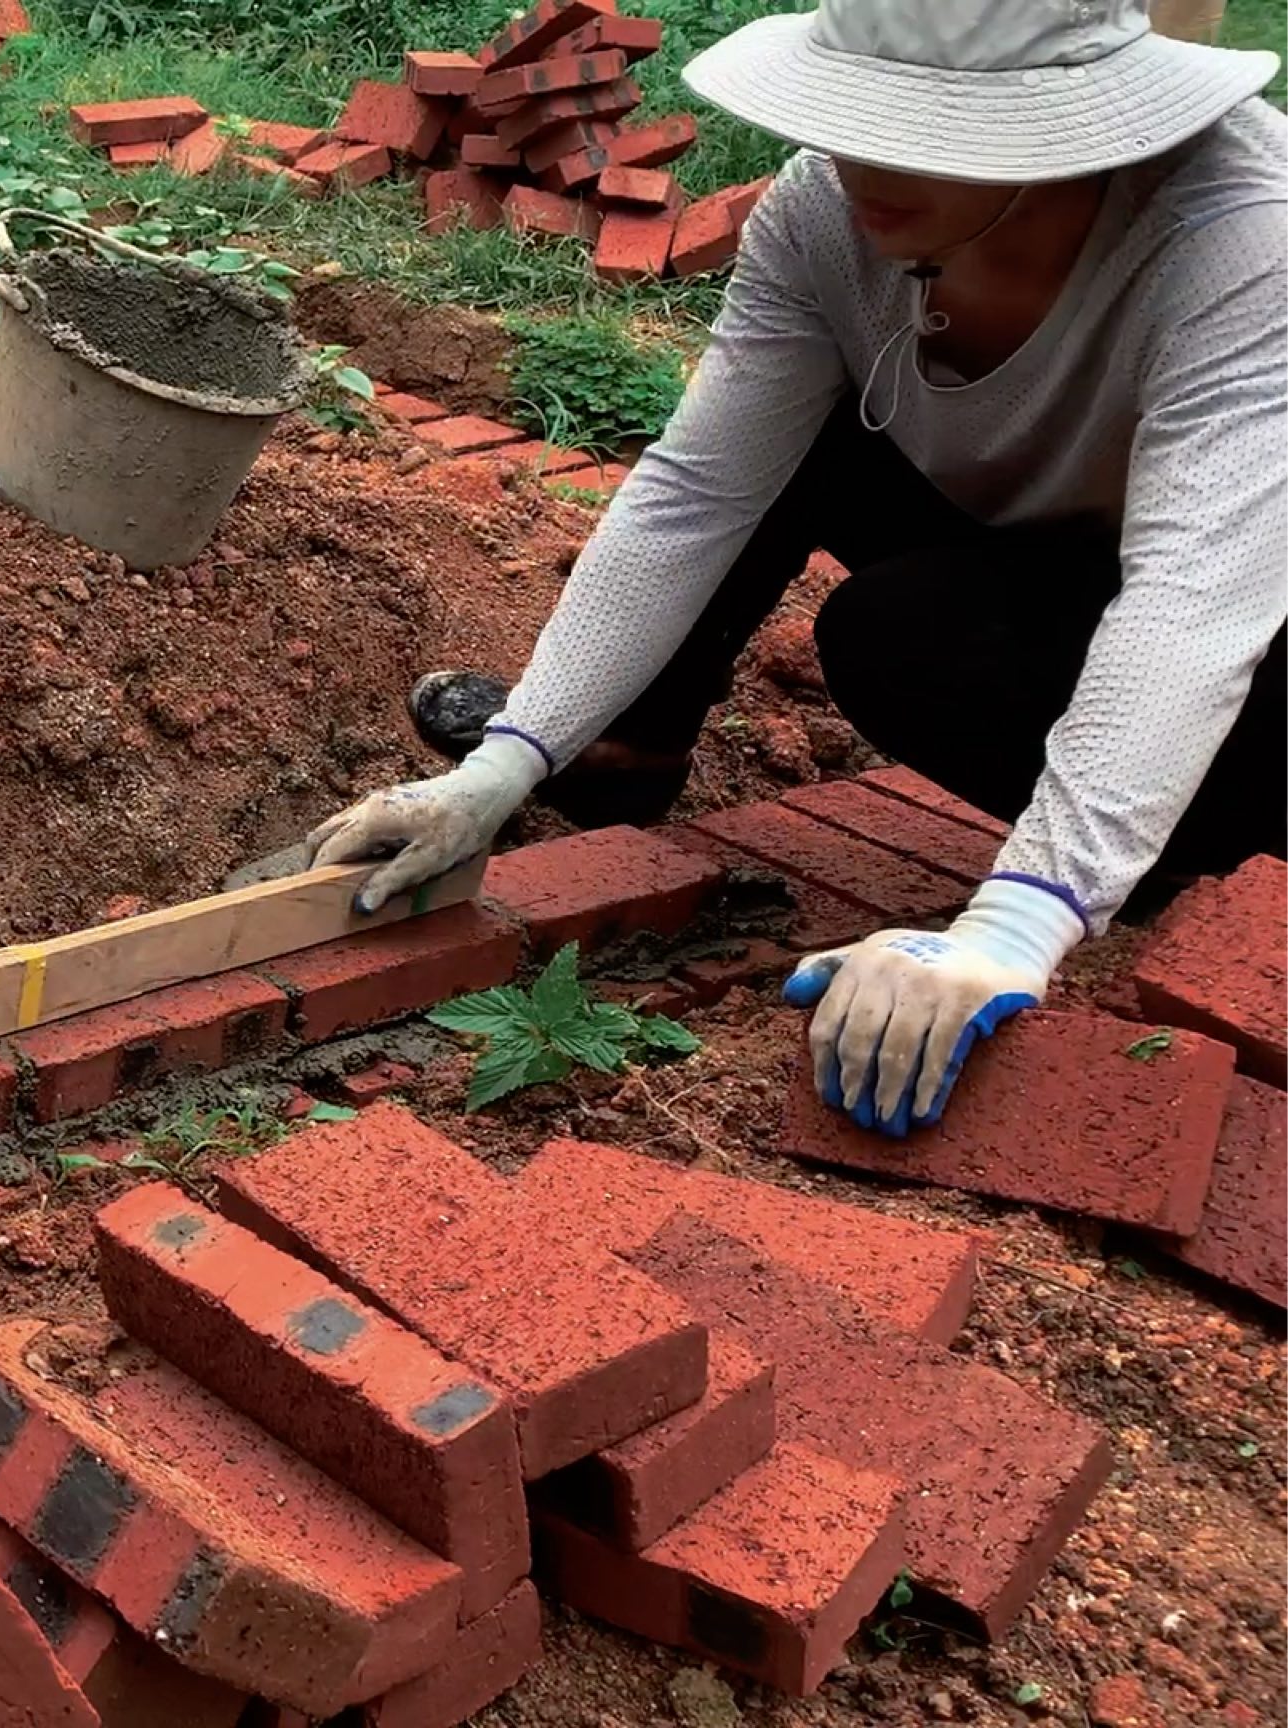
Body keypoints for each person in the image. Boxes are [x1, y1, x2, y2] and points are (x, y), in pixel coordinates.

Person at [308, 0, 1287, 1135]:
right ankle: (619, 747)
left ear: (1065, 126)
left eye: (923, 130)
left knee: (898, 642)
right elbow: (698, 487)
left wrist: (1017, 923)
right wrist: (506, 762)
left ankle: (1201, 864)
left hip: (1255, 619)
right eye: (850, 116)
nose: (859, 162)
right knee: (805, 437)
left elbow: (1195, 596)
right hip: (1067, 544)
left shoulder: (1240, 239)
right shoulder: (824, 211)